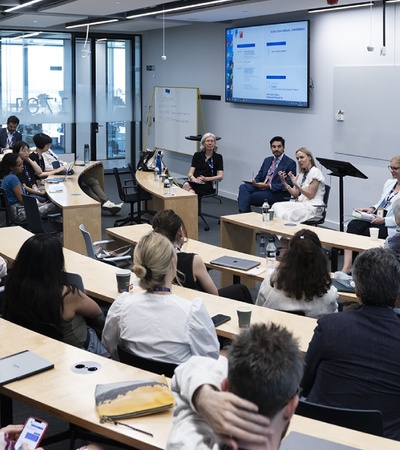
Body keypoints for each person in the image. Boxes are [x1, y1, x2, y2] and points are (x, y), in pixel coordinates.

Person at [301, 247, 400, 441]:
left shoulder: (330, 326)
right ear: (397, 292)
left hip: (321, 433)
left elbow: (304, 382)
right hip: (382, 439)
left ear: (357, 290)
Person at [166, 323, 303, 450]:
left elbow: (191, 368)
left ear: (224, 388)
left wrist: (205, 397)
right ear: (291, 406)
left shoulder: (185, 441)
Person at [102, 231, 219, 362]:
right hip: (177, 382)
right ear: (173, 265)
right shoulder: (191, 313)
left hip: (134, 380)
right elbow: (209, 361)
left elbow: (110, 347)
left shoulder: (123, 307)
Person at [3, 234, 108, 357]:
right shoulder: (67, 294)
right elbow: (96, 313)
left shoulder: (12, 286)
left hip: (34, 347)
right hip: (77, 351)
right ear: (56, 263)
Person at [152, 209, 253, 303]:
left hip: (169, 302)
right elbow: (214, 295)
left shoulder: (151, 257)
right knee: (241, 289)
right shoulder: (194, 261)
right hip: (198, 307)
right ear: (179, 232)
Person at [30, 133, 123, 215]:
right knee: (82, 186)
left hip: (61, 170)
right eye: (48, 145)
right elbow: (43, 170)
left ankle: (106, 203)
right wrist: (58, 169)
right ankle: (102, 204)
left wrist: (64, 165)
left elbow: (57, 160)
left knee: (91, 180)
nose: (49, 146)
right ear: (42, 145)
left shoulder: (46, 152)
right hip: (53, 175)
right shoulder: (38, 155)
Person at [256, 229, 338, 318]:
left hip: (271, 330)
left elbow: (258, 312)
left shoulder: (270, 282)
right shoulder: (329, 294)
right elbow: (332, 325)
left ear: (288, 256)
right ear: (320, 258)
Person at [341, 156, 400, 274]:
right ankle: (348, 266)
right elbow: (381, 202)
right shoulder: (390, 183)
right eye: (390, 167)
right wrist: (371, 209)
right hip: (378, 217)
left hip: (392, 226)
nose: (392, 170)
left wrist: (384, 220)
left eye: (395, 168)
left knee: (367, 231)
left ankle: (367, 270)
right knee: (353, 225)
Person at [237, 136, 296, 213]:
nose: (276, 149)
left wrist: (269, 186)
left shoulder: (290, 163)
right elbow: (260, 176)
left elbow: (289, 184)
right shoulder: (267, 160)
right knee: (243, 187)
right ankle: (245, 217)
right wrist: (254, 181)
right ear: (271, 148)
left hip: (276, 193)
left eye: (279, 146)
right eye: (274, 147)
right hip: (261, 187)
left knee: (245, 197)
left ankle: (244, 217)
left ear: (283, 148)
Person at [0, 153, 60, 222]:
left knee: (50, 204)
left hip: (17, 209)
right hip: (20, 212)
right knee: (56, 206)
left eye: (22, 164)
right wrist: (38, 204)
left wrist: (39, 204)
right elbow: (23, 200)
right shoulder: (13, 179)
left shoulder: (7, 177)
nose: (22, 166)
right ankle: (58, 229)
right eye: (19, 165)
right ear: (11, 167)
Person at [273, 147, 325, 223]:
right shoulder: (302, 174)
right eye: (297, 158)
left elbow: (310, 195)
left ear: (309, 157)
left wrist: (297, 185)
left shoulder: (315, 172)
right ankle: (278, 232)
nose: (299, 160)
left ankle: (285, 234)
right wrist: (284, 182)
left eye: (302, 157)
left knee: (287, 214)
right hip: (302, 204)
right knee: (276, 206)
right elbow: (295, 194)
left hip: (312, 207)